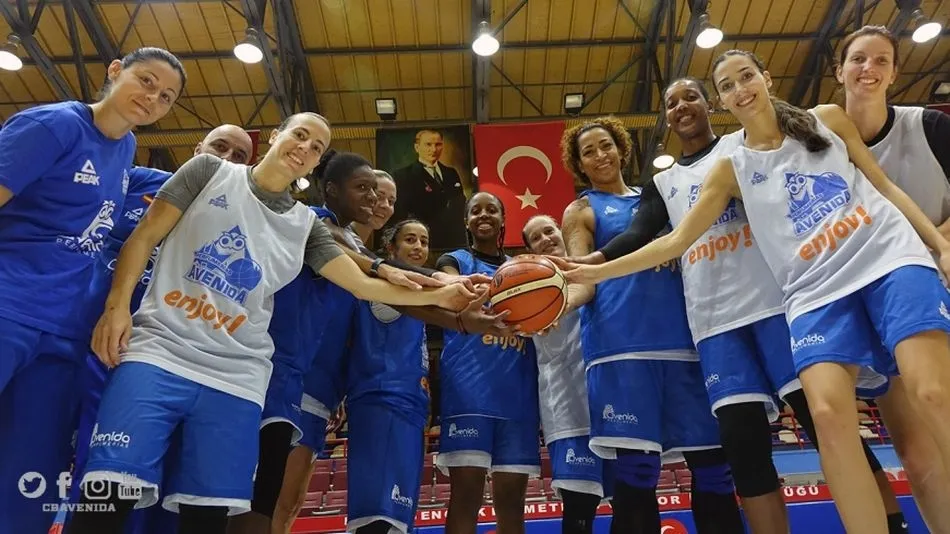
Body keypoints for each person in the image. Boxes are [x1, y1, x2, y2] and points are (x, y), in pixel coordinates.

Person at [556, 49, 950, 534]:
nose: (684, 105)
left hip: (797, 296)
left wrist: (936, 242)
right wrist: (586, 270)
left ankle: (894, 523)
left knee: (886, 408)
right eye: (673, 101)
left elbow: (877, 180)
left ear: (724, 98)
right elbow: (657, 239)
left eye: (695, 95)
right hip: (746, 312)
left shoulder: (781, 135)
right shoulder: (689, 177)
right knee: (773, 442)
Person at [67, 112, 474, 534]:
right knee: (106, 494)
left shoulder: (303, 225)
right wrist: (117, 306)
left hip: (237, 376)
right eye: (300, 135)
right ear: (276, 136)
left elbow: (362, 285)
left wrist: (441, 294)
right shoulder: (209, 171)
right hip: (160, 351)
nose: (305, 147)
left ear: (315, 164)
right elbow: (144, 236)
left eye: (316, 147)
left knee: (205, 515)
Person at [0, 46, 186, 534]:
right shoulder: (53, 125)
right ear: (115, 70)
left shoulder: (125, 149)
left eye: (165, 96)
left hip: (63, 335)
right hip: (8, 308)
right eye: (146, 81)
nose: (153, 98)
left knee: (27, 480)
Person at [557, 116, 742, 534]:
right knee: (638, 474)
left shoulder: (660, 195)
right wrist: (555, 306)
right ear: (579, 165)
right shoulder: (582, 209)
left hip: (686, 343)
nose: (600, 155)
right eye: (589, 151)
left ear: (622, 149)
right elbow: (583, 278)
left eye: (606, 145)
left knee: (715, 469)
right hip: (622, 348)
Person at [66, 125, 255, 534]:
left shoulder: (243, 222)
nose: (227, 158)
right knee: (104, 479)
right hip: (105, 347)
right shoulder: (138, 183)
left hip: (181, 360)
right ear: (198, 148)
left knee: (171, 494)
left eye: (240, 156)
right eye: (220, 147)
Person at [836, 25, 950, 532]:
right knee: (919, 457)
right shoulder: (821, 150)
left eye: (881, 60)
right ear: (839, 70)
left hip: (937, 284)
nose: (869, 69)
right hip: (881, 308)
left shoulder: (929, 126)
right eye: (858, 59)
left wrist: (930, 244)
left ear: (895, 73)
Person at [435, 191, 541, 534]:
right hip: (470, 395)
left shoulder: (523, 269)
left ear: (502, 220)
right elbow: (443, 281)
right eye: (476, 210)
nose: (484, 215)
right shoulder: (456, 260)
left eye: (492, 210)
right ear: (466, 221)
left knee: (512, 504)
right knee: (466, 497)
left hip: (519, 399)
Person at [523, 215, 611, 534]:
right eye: (536, 237)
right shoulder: (527, 287)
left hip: (608, 401)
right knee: (579, 508)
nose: (545, 237)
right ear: (530, 249)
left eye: (549, 230)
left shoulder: (596, 273)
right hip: (566, 407)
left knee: (630, 499)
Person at [345, 219, 433, 534]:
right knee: (377, 517)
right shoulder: (384, 287)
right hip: (381, 400)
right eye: (410, 240)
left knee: (395, 520)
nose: (419, 247)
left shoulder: (415, 290)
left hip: (408, 405)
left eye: (424, 241)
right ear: (390, 248)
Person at [391, 129, 467, 249]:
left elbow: (460, 206)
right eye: (428, 144)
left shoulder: (451, 173)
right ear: (417, 147)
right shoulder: (402, 176)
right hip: (423, 242)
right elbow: (401, 212)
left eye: (438, 144)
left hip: (455, 243)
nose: (433, 149)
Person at [353, 169, 397, 251]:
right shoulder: (332, 234)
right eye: (379, 196)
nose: (386, 205)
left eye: (391, 201)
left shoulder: (357, 244)